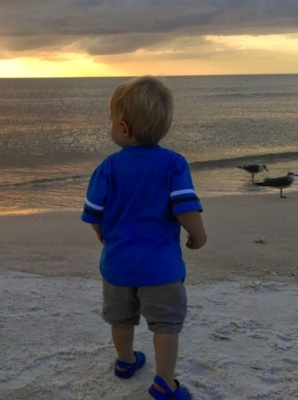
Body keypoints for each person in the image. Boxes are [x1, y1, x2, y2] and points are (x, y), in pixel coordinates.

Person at [81, 76, 207, 400]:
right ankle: (165, 382)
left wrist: (102, 233)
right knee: (166, 324)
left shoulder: (107, 168)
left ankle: (125, 361)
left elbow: (95, 213)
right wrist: (198, 235)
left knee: (120, 318)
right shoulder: (173, 164)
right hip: (161, 269)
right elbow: (185, 209)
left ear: (123, 128)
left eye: (110, 120)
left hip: (118, 265)